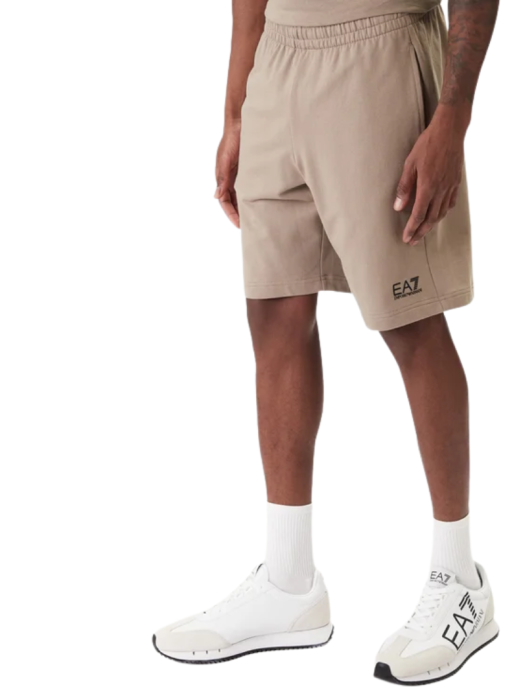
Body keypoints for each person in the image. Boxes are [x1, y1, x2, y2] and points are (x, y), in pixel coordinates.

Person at [153, 0, 499, 685]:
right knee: (274, 314)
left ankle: (460, 581)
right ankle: (289, 584)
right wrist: (236, 108)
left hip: (379, 53)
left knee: (410, 321)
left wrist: (452, 119)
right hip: (277, 63)